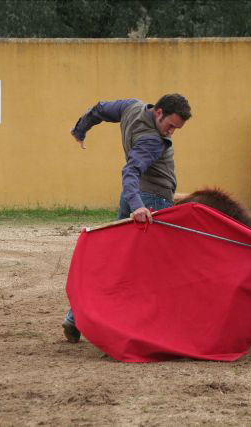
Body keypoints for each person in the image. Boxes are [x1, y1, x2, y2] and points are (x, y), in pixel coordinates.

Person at [62, 93, 192, 343]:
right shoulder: (152, 141)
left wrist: (80, 130)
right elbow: (131, 170)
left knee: (114, 261)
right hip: (151, 205)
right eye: (171, 126)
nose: (171, 132)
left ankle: (74, 318)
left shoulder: (131, 107)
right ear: (159, 113)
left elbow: (99, 109)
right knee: (154, 270)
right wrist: (139, 207)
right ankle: (149, 328)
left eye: (177, 128)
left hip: (133, 199)